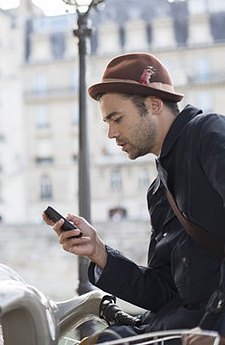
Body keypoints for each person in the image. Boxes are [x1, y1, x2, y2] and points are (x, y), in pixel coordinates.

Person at [42, 52, 225, 342]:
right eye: (107, 123)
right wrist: (99, 253)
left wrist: (218, 327)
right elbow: (164, 291)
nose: (111, 134)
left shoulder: (208, 133)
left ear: (154, 104)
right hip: (171, 326)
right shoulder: (158, 189)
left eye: (117, 119)